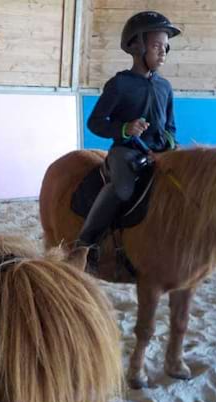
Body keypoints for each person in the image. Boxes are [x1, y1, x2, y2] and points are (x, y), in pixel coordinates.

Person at [77, 11, 181, 268]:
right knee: (122, 189)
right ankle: (86, 242)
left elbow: (170, 126)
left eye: (165, 46)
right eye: (157, 45)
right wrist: (126, 129)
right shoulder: (119, 85)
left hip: (159, 153)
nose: (163, 52)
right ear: (137, 46)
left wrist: (169, 144)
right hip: (126, 152)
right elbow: (96, 123)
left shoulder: (165, 87)